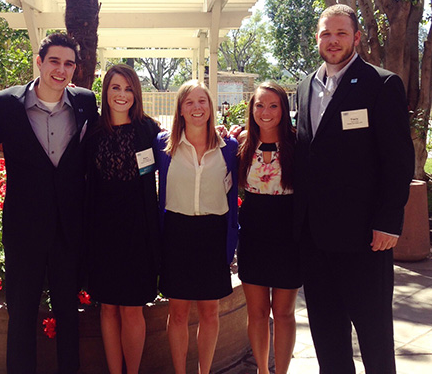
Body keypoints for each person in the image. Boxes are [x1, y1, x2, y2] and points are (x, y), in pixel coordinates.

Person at [294, 4, 415, 373]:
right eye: (326, 34)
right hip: (315, 241)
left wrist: (389, 221)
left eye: (341, 33)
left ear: (357, 37)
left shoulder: (382, 84)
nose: (333, 41)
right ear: (317, 38)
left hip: (364, 238)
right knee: (327, 338)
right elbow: (306, 152)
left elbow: (398, 160)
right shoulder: (304, 87)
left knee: (374, 339)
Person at [0, 33, 98, 374]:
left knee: (69, 314)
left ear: (75, 69)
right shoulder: (5, 104)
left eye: (68, 64)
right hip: (24, 229)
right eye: (54, 61)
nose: (61, 70)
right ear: (39, 62)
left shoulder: (85, 102)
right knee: (21, 314)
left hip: (69, 229)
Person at [154, 80, 238, 374]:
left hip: (213, 234)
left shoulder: (229, 148)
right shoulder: (163, 145)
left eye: (202, 101)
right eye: (189, 102)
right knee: (177, 313)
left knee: (210, 312)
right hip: (176, 233)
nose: (196, 107)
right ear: (180, 109)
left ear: (211, 107)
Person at [85, 64, 161, 374]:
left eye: (128, 88)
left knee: (132, 309)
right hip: (102, 233)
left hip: (138, 232)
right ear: (106, 91)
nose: (122, 94)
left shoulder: (148, 130)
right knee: (108, 308)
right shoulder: (92, 132)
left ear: (136, 94)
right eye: (116, 87)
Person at [237, 81, 300, 374]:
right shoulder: (242, 144)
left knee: (284, 313)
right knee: (257, 313)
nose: (266, 112)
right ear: (252, 109)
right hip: (253, 236)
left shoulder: (298, 145)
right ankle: (263, 370)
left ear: (284, 110)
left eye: (273, 105)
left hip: (288, 238)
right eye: (260, 105)